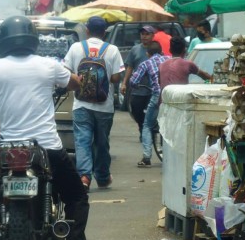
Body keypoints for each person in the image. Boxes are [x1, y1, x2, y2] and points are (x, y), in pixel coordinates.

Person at [0, 16, 89, 240]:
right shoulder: (49, 65)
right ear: (32, 38)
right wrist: (77, 79)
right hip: (47, 148)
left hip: (7, 149)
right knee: (77, 197)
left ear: (2, 41)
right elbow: (74, 83)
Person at [63, 16, 124, 191]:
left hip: (81, 105)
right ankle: (103, 178)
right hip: (105, 106)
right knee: (102, 142)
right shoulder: (112, 50)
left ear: (87, 31)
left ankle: (84, 176)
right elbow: (115, 77)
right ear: (104, 32)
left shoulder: (76, 48)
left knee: (82, 141)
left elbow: (67, 72)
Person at [129, 41, 168, 167]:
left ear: (147, 53)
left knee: (147, 125)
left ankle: (146, 157)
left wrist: (135, 85)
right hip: (172, 96)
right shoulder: (168, 59)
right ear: (161, 51)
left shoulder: (146, 63)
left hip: (157, 96)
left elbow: (133, 80)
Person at [120, 25, 155, 141]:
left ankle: (148, 131)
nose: (144, 36)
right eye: (142, 34)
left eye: (147, 34)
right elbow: (129, 67)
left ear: (152, 36)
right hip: (137, 88)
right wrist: (124, 83)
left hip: (152, 88)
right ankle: (142, 127)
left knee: (151, 113)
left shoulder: (156, 49)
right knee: (136, 110)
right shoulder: (135, 49)